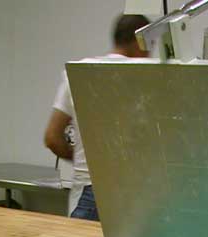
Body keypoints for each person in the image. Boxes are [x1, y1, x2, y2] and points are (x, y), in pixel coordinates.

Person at [44, 14, 150, 221]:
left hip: (88, 189)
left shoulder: (78, 72)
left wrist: (85, 162)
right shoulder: (145, 77)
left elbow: (52, 138)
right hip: (132, 192)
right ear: (141, 41)